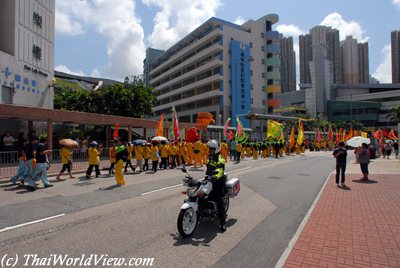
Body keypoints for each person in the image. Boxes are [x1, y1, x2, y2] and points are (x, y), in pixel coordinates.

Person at [205, 139, 227, 232]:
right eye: (209, 148)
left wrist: (215, 176)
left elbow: (219, 169)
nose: (209, 150)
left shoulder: (220, 158)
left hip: (218, 182)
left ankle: (222, 223)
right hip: (209, 180)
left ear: (217, 149)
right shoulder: (210, 157)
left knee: (219, 201)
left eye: (212, 148)